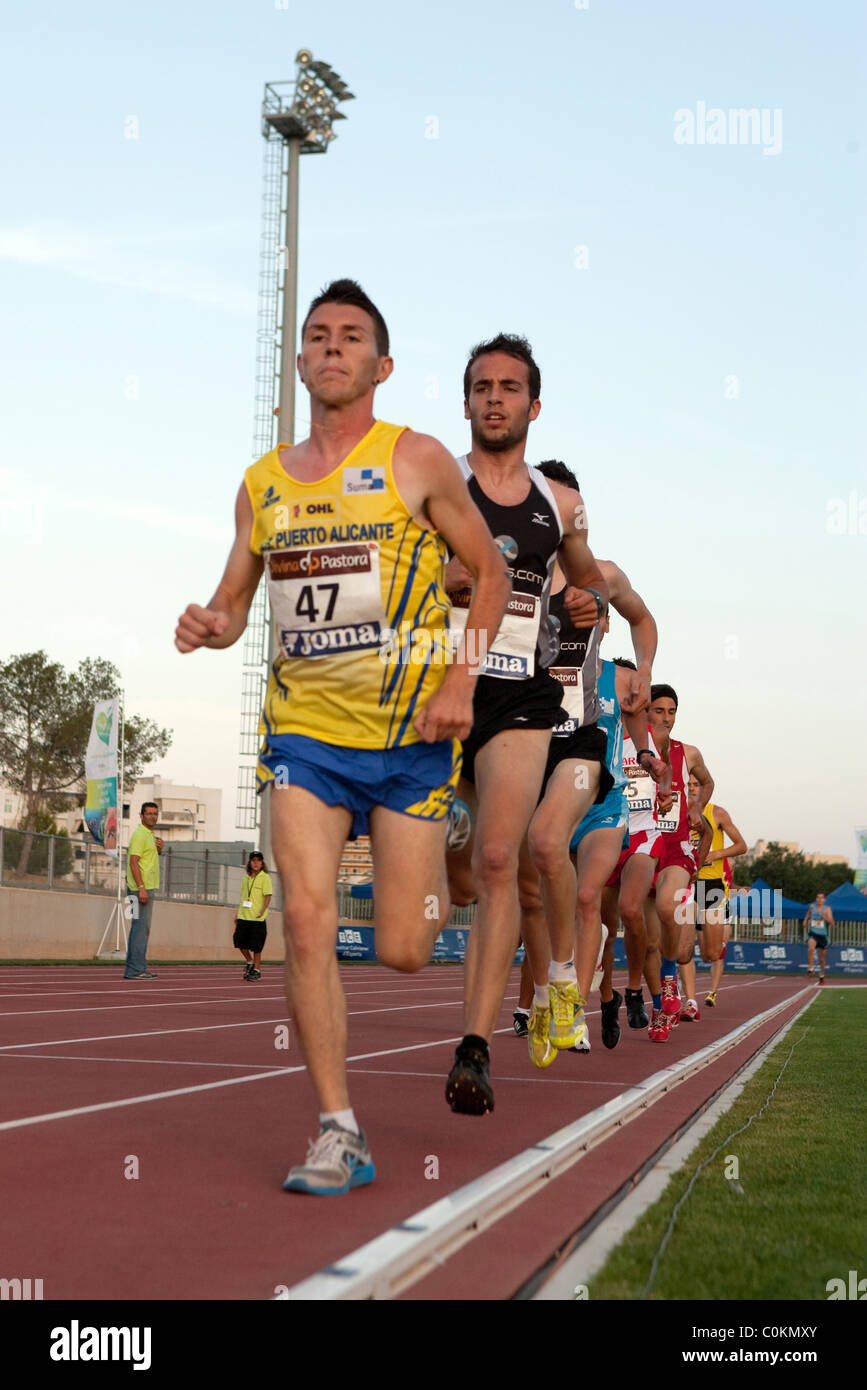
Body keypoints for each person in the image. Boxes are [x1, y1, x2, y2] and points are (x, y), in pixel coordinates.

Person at [176, 279, 510, 1194]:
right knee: (309, 919)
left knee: (404, 946)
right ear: (300, 361)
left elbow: (489, 571)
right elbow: (238, 605)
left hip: (408, 740)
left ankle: (451, 839)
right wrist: (210, 622)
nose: (332, 347)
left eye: (351, 337)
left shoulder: (417, 460)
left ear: (381, 365)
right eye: (317, 336)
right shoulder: (262, 485)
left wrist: (459, 677)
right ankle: (338, 1129)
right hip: (305, 740)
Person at [442, 334, 610, 1115]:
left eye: (510, 387)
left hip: (519, 692)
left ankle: (474, 1048)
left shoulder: (557, 503)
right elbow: (389, 572)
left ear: (532, 406)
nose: (495, 398)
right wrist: (435, 575)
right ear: (467, 399)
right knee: (461, 881)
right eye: (482, 386)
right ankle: (451, 849)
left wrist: (583, 601)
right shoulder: (432, 483)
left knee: (506, 856)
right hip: (437, 687)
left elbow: (585, 584)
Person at [644, 684, 713, 1042]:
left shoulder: (688, 752)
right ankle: (658, 1008)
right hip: (641, 845)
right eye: (659, 710)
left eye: (672, 711)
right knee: (648, 942)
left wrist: (697, 807)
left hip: (676, 848)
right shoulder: (632, 750)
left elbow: (708, 781)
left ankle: (670, 981)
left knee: (669, 909)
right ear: (646, 712)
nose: (666, 717)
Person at [690, 779, 747, 1008]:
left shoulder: (717, 813)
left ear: (705, 788)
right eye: (688, 784)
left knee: (710, 955)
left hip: (711, 885)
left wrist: (717, 854)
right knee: (686, 950)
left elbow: (742, 846)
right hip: (686, 882)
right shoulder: (677, 811)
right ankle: (688, 1000)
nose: (692, 787)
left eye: (696, 784)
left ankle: (713, 936)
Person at [123, 802, 163, 980]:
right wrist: (141, 888)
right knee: (140, 929)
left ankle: (135, 967)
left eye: (155, 814)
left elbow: (147, 860)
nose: (152, 816)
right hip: (140, 888)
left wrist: (159, 850)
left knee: (139, 928)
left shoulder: (149, 836)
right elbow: (133, 862)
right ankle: (136, 969)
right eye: (149, 813)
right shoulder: (140, 835)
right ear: (141, 816)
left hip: (144, 887)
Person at [234, 851, 273, 980]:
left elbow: (268, 896)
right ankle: (249, 961)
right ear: (250, 863)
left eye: (258, 861)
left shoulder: (265, 878)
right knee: (239, 942)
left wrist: (262, 910)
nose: (256, 863)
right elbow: (243, 897)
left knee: (257, 946)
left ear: (262, 863)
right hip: (243, 916)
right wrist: (237, 913)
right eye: (253, 860)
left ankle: (256, 970)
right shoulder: (245, 878)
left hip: (257, 918)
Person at [803, 892, 833, 984]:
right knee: (811, 948)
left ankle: (822, 975)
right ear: (816, 899)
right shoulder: (812, 907)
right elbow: (808, 914)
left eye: (821, 898)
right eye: (818, 898)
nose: (819, 899)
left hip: (823, 935)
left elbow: (831, 922)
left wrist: (823, 915)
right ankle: (811, 968)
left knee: (822, 959)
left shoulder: (827, 909)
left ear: (824, 900)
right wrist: (805, 920)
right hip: (813, 933)